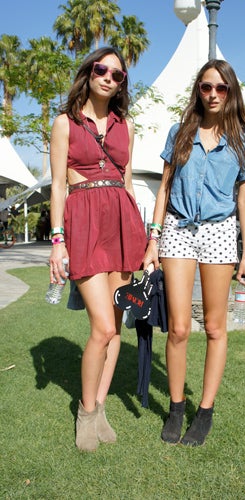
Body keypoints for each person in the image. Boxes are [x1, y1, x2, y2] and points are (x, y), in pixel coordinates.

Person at [143, 59, 245, 447]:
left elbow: (244, 200)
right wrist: (153, 240)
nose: (212, 95)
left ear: (231, 93)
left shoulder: (243, 142)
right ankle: (176, 408)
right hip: (177, 229)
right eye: (206, 87)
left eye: (221, 88)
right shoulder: (180, 133)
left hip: (221, 232)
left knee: (214, 327)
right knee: (178, 327)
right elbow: (163, 188)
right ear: (198, 90)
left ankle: (204, 411)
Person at [49, 47, 147, 452]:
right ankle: (85, 411)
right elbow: (57, 184)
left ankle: (101, 405)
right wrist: (57, 242)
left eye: (117, 74)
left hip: (122, 225)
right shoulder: (64, 123)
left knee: (118, 328)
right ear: (88, 72)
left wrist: (142, 238)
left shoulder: (127, 127)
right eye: (101, 69)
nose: (109, 77)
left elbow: (126, 184)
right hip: (84, 222)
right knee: (102, 328)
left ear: (122, 84)